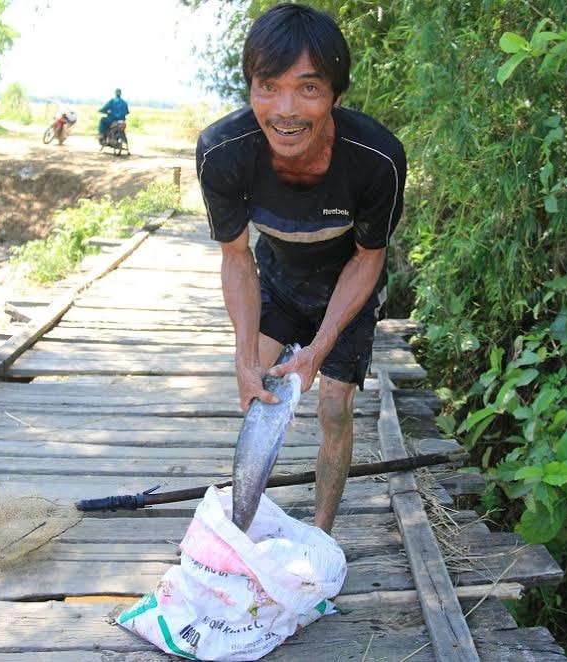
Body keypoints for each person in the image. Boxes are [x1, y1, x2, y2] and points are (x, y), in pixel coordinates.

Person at [196, 3, 406, 534]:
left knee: (334, 405)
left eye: (308, 89)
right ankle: (241, 525)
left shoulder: (377, 158)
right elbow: (237, 257)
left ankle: (319, 534)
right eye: (268, 86)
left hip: (348, 285)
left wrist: (321, 346)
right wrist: (244, 357)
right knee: (258, 393)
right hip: (281, 278)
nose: (285, 109)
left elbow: (369, 256)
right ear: (249, 88)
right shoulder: (223, 151)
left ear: (336, 94)